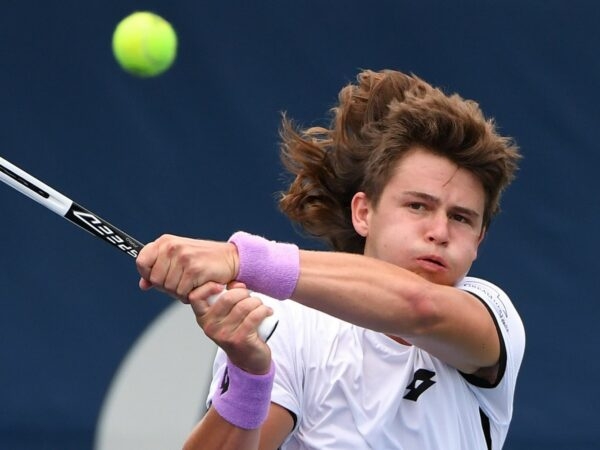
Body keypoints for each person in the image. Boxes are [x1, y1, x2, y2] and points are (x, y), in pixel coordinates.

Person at [136, 69, 525, 450]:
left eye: (460, 218)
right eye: (418, 206)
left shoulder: (491, 314)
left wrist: (240, 259)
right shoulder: (290, 325)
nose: (439, 231)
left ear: (478, 239)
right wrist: (249, 378)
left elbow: (418, 305)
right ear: (364, 213)